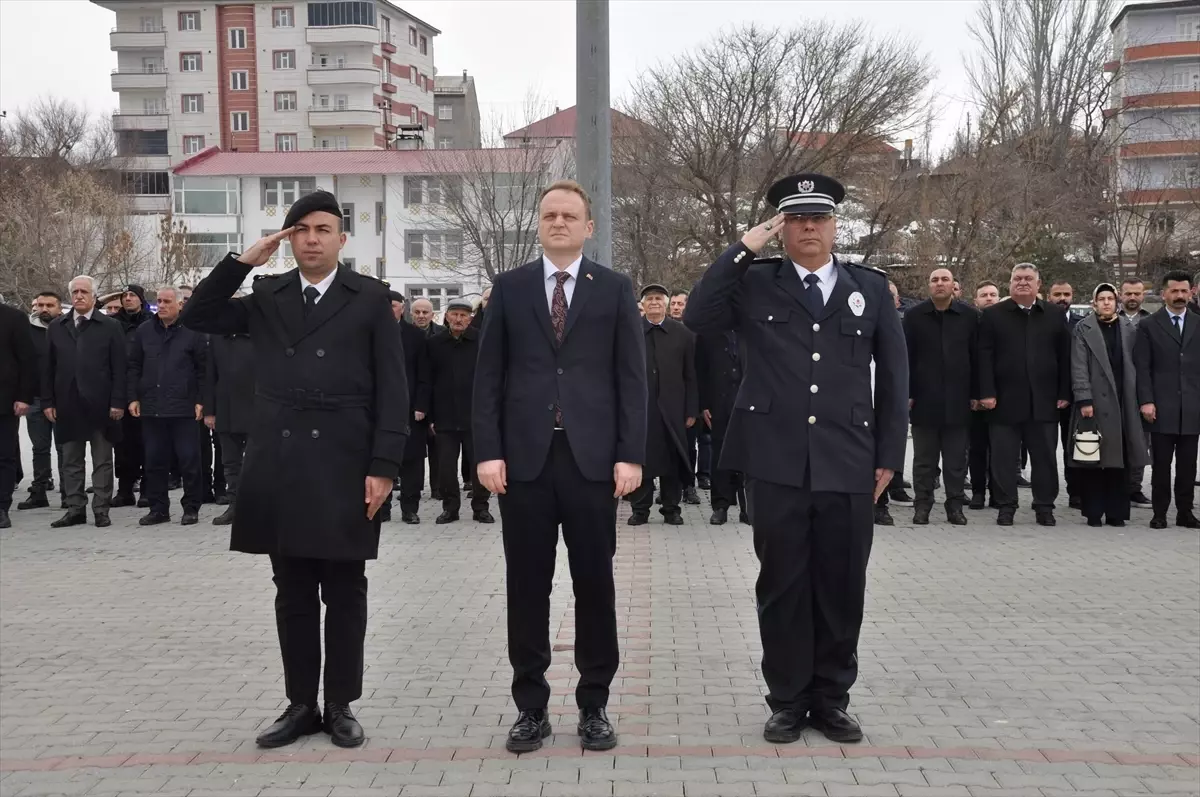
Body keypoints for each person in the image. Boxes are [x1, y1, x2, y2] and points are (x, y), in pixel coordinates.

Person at [180, 190, 409, 749]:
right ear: (287, 240)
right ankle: (301, 704)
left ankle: (341, 704)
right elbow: (198, 315)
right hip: (281, 460)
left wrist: (384, 465)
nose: (311, 239)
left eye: (322, 229)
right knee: (293, 591)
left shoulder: (369, 297)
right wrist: (243, 262)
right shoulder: (268, 293)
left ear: (341, 239)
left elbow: (393, 387)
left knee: (346, 590)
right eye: (300, 230)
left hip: (346, 459)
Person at [684, 172, 907, 745]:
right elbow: (698, 316)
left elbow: (895, 376)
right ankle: (786, 700)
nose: (809, 227)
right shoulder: (756, 282)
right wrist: (744, 246)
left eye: (819, 218)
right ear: (781, 228)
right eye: (797, 219)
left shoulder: (870, 288)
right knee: (782, 585)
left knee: (842, 585)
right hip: (775, 459)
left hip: (849, 459)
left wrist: (889, 455)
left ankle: (831, 700)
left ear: (835, 225)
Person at [473, 179, 646, 754]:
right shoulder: (511, 287)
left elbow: (631, 379)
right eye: (550, 215)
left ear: (588, 227)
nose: (559, 223)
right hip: (523, 463)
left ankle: (594, 704)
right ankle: (531, 707)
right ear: (539, 224)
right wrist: (488, 450)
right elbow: (488, 377)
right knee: (527, 587)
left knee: (595, 585)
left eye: (570, 215)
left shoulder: (614, 289)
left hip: (591, 463)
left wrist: (630, 454)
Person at [978, 264, 1071, 526]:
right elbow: (984, 357)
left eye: (1028, 279)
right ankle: (1006, 506)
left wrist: (1065, 392)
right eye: (1017, 278)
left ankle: (1044, 507)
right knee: (1004, 459)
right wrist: (986, 392)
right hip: (1003, 401)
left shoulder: (1054, 314)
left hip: (1044, 401)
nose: (1022, 282)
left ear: (1038, 285)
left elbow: (1065, 356)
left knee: (1045, 459)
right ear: (1009, 284)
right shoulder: (993, 315)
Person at [44, 275, 128, 528]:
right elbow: (48, 368)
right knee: (71, 460)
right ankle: (75, 509)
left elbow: (119, 367)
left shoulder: (110, 326)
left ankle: (101, 509)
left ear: (93, 296)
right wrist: (48, 401)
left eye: (84, 292)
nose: (79, 296)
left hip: (101, 404)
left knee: (102, 460)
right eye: (75, 292)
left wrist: (118, 402)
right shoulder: (57, 326)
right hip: (67, 404)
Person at [1068, 283, 1147, 527]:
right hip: (1095, 402)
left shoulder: (1129, 328)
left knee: (1120, 460)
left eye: (1110, 298)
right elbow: (1078, 365)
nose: (1105, 302)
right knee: (1092, 457)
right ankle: (1093, 512)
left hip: (1124, 402)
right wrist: (1084, 398)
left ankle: (1116, 512)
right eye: (1101, 299)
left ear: (1116, 302)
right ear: (1094, 303)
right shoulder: (1083, 328)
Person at [903, 268, 978, 525]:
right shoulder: (914, 316)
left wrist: (978, 393)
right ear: (929, 285)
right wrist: (908, 392)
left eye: (945, 279)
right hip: (924, 400)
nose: (939, 283)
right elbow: (906, 358)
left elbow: (977, 357)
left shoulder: (969, 316)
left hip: (959, 400)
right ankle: (922, 505)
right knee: (924, 460)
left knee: (956, 461)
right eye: (934, 280)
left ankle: (955, 506)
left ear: (953, 285)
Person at [128, 286, 207, 526]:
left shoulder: (193, 332)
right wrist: (133, 397)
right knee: (154, 461)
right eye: (159, 301)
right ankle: (158, 509)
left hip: (184, 408)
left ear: (180, 305)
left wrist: (201, 400)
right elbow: (134, 366)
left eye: (167, 301)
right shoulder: (144, 331)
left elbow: (204, 370)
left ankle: (191, 507)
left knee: (189, 460)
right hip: (152, 407)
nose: (161, 305)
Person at [1134, 271, 1200, 529]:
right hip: (1161, 407)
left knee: (1188, 465)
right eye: (1174, 291)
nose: (1180, 295)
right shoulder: (1149, 325)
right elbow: (1143, 367)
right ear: (1164, 294)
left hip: (1192, 407)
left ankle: (1185, 512)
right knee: (1161, 465)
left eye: (1184, 291)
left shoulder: (1198, 323)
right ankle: (1159, 513)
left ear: (1191, 292)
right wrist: (1146, 401)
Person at [628, 284, 698, 526]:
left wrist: (691, 409)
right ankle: (640, 509)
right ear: (643, 305)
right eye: (649, 299)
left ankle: (671, 508)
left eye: (659, 298)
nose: (654, 302)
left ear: (666, 304)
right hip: (641, 408)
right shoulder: (631, 331)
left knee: (672, 459)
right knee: (642, 457)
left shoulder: (683, 334)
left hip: (673, 408)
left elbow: (691, 375)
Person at [421, 297, 492, 524]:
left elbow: (490, 378)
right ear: (447, 316)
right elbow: (427, 380)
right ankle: (450, 508)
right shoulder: (435, 343)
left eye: (463, 315)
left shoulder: (481, 341)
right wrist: (429, 414)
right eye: (455, 315)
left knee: (479, 463)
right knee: (446, 468)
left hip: (475, 415)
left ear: (470, 318)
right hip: (445, 416)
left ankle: (480, 507)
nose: (459, 319)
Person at [202, 322, 255, 527]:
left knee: (256, 463)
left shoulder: (259, 335)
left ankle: (258, 507)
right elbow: (210, 375)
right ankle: (234, 506)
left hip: (255, 409)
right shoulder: (218, 337)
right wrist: (209, 411)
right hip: (226, 409)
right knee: (230, 463)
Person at [18, 292, 66, 511]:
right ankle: (39, 490)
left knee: (65, 447)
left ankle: (68, 492)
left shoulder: (68, 328)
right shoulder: (27, 331)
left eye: (50, 305)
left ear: (59, 308)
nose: (44, 309)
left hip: (63, 398)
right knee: (39, 448)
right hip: (35, 398)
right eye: (40, 305)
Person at [695, 327, 747, 525]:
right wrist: (704, 405)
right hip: (718, 405)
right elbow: (700, 371)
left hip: (747, 403)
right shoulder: (708, 333)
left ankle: (747, 507)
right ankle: (720, 506)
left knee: (748, 455)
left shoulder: (751, 328)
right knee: (720, 455)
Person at [389, 291, 432, 524]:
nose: (389, 309)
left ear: (402, 308)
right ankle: (382, 508)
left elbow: (425, 374)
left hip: (411, 408)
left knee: (413, 460)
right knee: (383, 457)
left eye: (393, 305)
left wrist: (421, 405)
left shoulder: (415, 336)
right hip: (382, 407)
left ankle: (409, 508)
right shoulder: (371, 332)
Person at [112, 284, 153, 509]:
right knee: (122, 445)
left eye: (132, 295)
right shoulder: (113, 323)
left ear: (141, 299)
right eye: (124, 296)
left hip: (146, 390)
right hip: (119, 389)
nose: (128, 299)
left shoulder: (151, 322)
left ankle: (147, 489)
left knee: (146, 443)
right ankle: (125, 490)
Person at [0, 300, 37, 529]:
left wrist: (24, 397)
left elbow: (27, 360)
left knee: (4, 456)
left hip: (4, 401)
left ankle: (2, 507)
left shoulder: (14, 318)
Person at [1118, 277, 1153, 506]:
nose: (1132, 297)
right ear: (1121, 295)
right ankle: (1115, 488)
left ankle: (1134, 488)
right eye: (1128, 293)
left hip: (1143, 389)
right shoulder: (1111, 318)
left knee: (1140, 441)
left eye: (1137, 293)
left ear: (1143, 295)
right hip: (1116, 388)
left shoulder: (1151, 321)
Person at [1048, 280, 1082, 509]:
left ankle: (1076, 492)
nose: (1062, 298)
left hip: (1074, 394)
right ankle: (1046, 494)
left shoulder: (1081, 324)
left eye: (1066, 294)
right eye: (1057, 294)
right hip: (1047, 395)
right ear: (1048, 296)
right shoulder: (1042, 321)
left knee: (1073, 447)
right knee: (1046, 449)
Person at [967, 282, 1000, 509]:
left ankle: (998, 492)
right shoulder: (970, 324)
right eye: (984, 295)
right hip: (976, 398)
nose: (989, 298)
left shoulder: (1007, 323)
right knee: (977, 448)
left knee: (1000, 449)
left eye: (993, 295)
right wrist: (974, 394)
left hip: (1003, 396)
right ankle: (978, 491)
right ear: (976, 300)